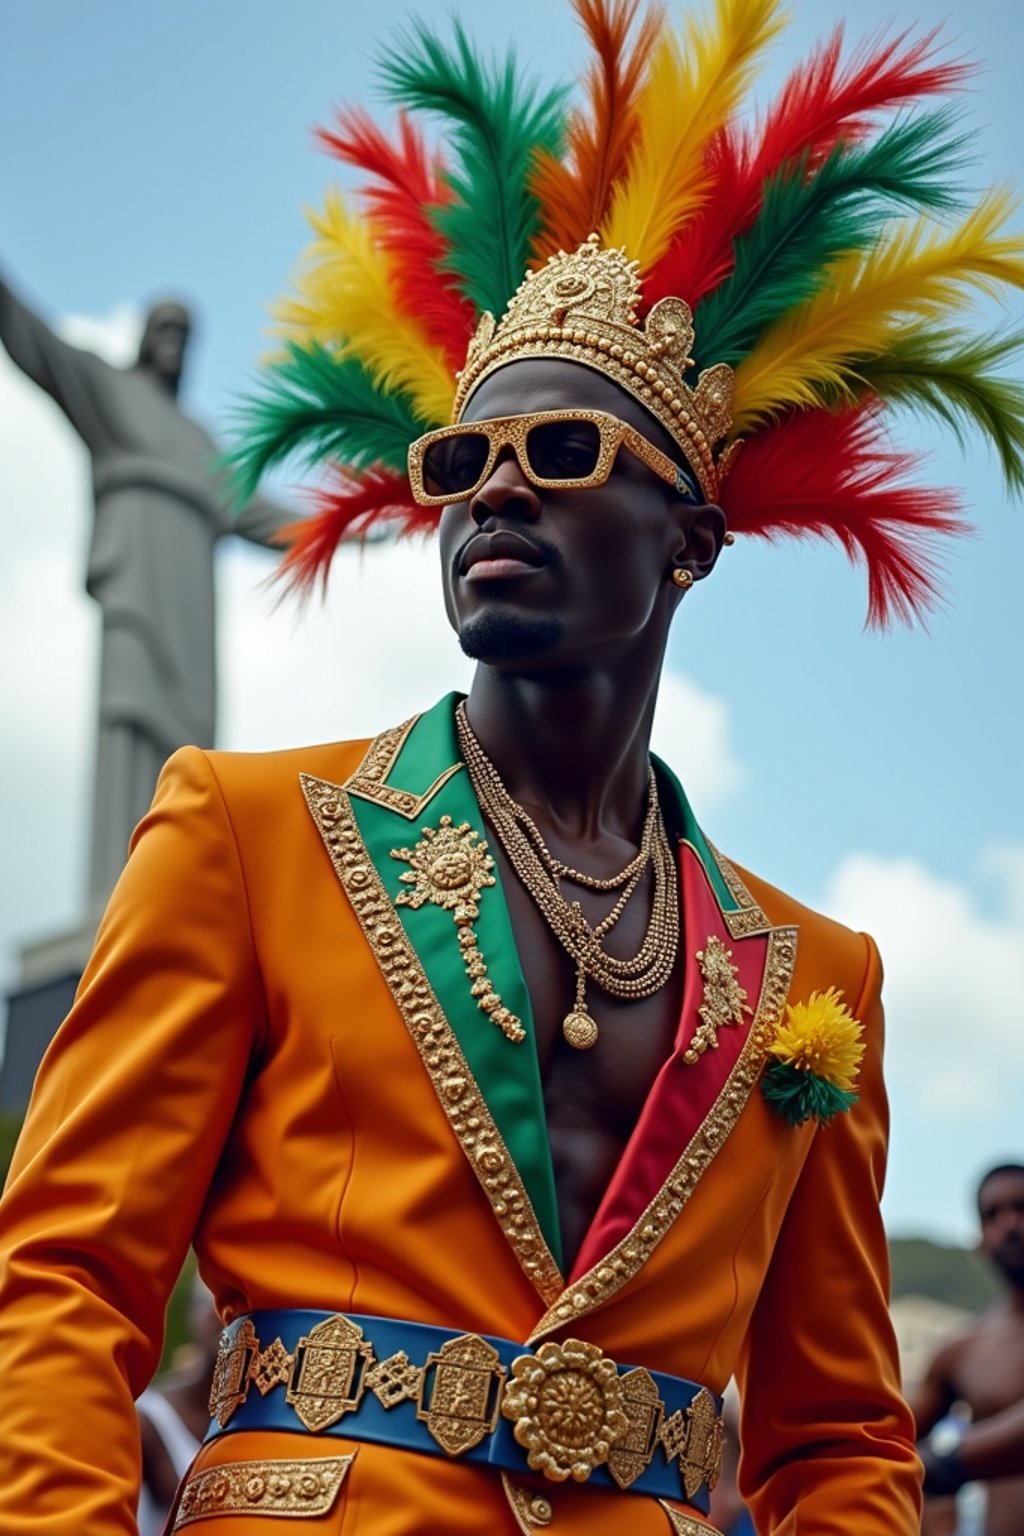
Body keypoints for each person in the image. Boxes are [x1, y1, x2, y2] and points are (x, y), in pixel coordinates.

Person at [1, 4, 1022, 1532]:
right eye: (461, 463)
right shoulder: (247, 830)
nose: (495, 496)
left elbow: (837, 1439)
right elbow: (68, 1278)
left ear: (689, 542)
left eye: (560, 460)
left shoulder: (822, 978)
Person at [0, 275, 292, 906]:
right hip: (136, 588)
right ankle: (115, 892)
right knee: (129, 722)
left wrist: (349, 521)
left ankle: (173, 893)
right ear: (143, 337)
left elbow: (268, 516)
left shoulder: (199, 442)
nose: (174, 344)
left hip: (189, 607)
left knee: (187, 747)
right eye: (165, 329)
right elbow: (39, 344)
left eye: (185, 336)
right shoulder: (110, 391)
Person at [911, 1163, 1024, 1536]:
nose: (1009, 1224)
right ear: (979, 1240)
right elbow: (891, 1434)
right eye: (992, 1215)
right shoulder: (964, 1351)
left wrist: (942, 1463)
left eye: (1022, 1207)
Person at [136, 1278, 223, 1535]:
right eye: (205, 1303)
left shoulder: (271, 1414)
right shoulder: (149, 1418)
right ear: (191, 1317)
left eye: (234, 1304)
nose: (217, 1314)